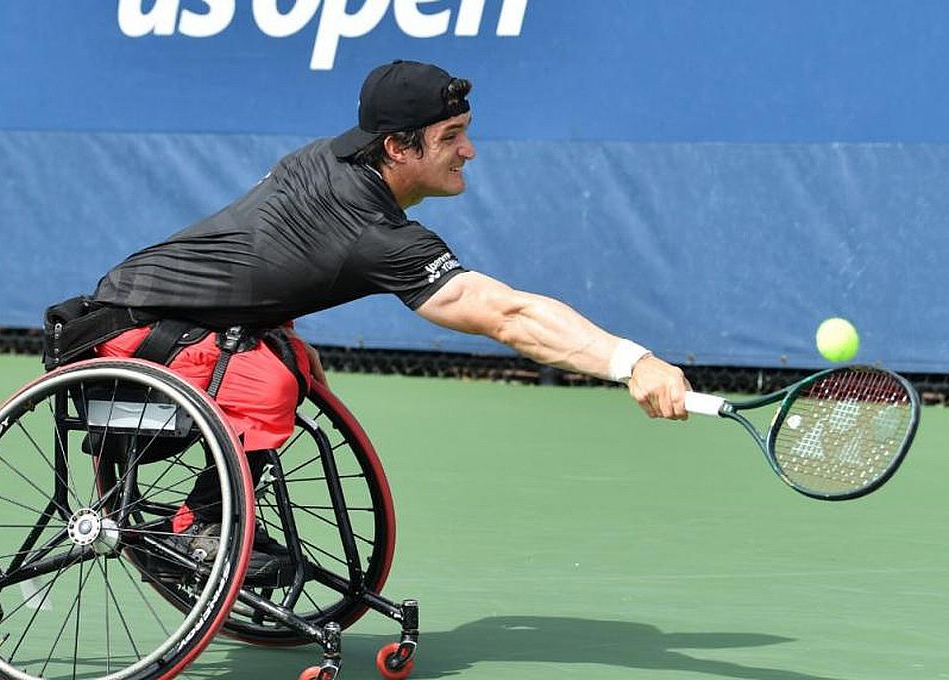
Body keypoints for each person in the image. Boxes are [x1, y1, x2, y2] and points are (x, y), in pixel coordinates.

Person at [88, 59, 691, 575]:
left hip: (164, 313)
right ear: (398, 147)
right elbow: (511, 317)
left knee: (285, 362)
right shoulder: (374, 232)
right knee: (265, 379)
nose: (469, 151)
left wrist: (278, 328)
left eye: (466, 132)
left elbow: (257, 254)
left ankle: (210, 513)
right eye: (451, 136)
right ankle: (200, 525)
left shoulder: (327, 157)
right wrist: (630, 361)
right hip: (129, 331)